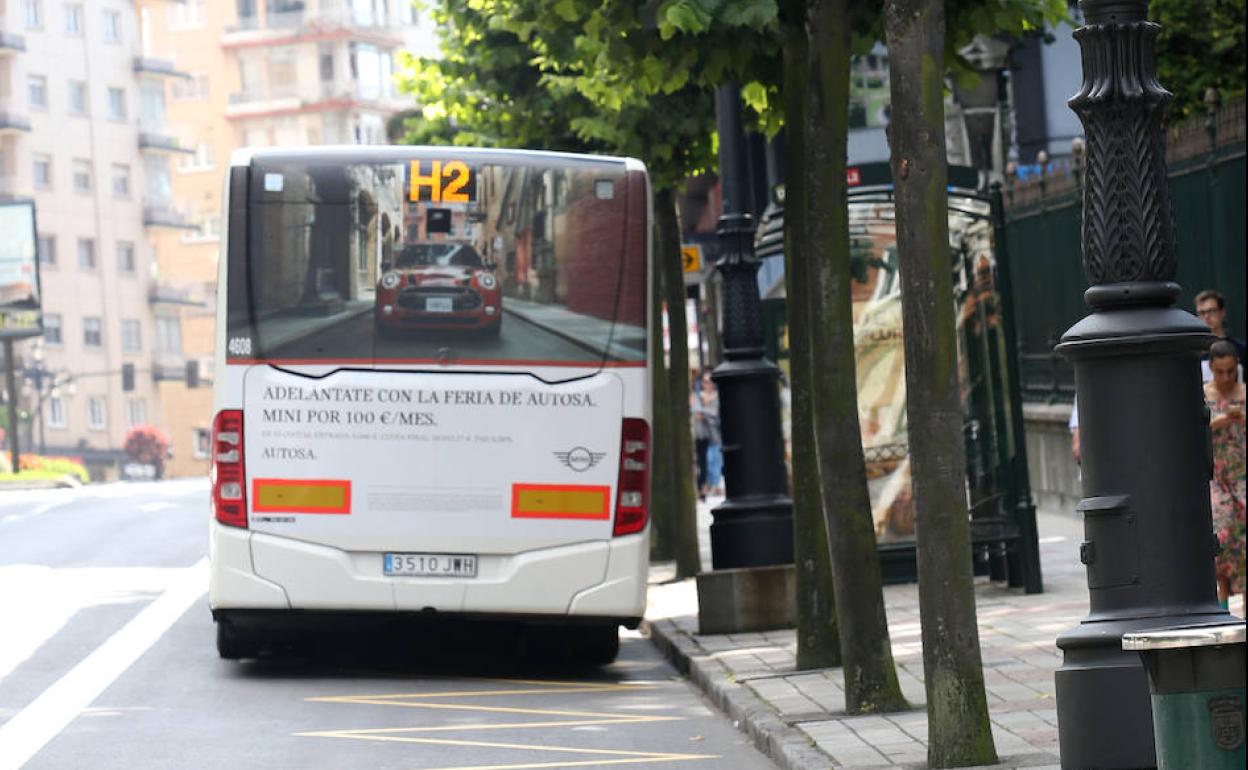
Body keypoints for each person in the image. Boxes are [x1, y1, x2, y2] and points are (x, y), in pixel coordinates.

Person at [1205, 340, 1246, 609]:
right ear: (1211, 368)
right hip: (1217, 478)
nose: (1226, 377)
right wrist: (1214, 423)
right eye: (1220, 371)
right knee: (1222, 533)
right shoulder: (1204, 395)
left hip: (1242, 475)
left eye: (1230, 371)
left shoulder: (1244, 393)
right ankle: (1222, 599)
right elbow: (1186, 431)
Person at [1196, 289, 1246, 382]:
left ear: (1222, 312)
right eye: (1201, 313)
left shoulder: (1241, 349)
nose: (1206, 316)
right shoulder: (1194, 352)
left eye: (1211, 311)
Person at [690, 369, 721, 501]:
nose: (707, 384)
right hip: (701, 434)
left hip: (715, 435)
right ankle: (704, 486)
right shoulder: (697, 396)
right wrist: (709, 413)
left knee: (715, 460)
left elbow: (716, 413)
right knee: (704, 461)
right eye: (705, 381)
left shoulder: (718, 396)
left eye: (710, 381)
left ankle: (713, 485)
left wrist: (705, 413)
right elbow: (697, 413)